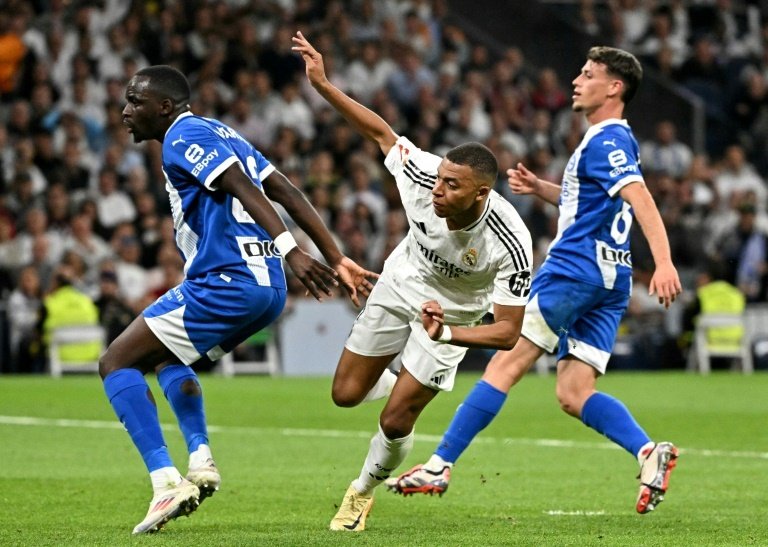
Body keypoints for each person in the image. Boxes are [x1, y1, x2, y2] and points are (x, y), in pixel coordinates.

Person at [387, 46, 683, 515]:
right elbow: (593, 205)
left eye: (588, 75)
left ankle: (439, 464)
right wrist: (545, 189)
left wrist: (665, 262)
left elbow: (639, 198)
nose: (576, 81)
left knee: (505, 365)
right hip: (610, 278)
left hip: (573, 270)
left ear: (614, 88)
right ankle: (648, 452)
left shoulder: (606, 140)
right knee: (573, 393)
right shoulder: (616, 141)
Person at [101, 64, 377, 535]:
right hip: (263, 288)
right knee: (167, 359)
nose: (125, 111)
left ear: (164, 107)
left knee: (115, 363)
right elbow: (286, 190)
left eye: (134, 101)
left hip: (226, 280)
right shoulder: (220, 130)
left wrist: (295, 251)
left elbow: (242, 187)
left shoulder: (181, 137)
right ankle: (201, 460)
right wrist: (339, 257)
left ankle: (165, 481)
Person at [292, 32, 534, 532]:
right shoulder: (424, 175)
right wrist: (322, 84)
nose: (438, 189)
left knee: (396, 420)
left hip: (453, 317)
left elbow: (509, 332)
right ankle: (400, 375)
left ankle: (360, 493)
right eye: (440, 177)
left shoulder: (510, 240)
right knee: (344, 395)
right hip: (400, 283)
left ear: (481, 193)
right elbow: (382, 133)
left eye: (452, 185)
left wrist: (448, 334)